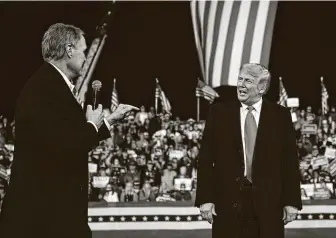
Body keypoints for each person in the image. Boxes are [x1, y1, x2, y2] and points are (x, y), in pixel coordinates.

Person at [0, 23, 137, 238]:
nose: (85, 57)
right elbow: (66, 145)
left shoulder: (50, 85)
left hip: (53, 216)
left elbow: (65, 135)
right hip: (45, 220)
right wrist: (92, 125)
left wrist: (109, 121)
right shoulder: (45, 89)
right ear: (69, 50)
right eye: (83, 50)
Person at [195, 63, 302, 238]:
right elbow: (206, 159)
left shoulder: (280, 116)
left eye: (248, 81)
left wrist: (291, 201)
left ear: (262, 88)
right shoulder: (219, 113)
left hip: (269, 204)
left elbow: (290, 162)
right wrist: (205, 198)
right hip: (228, 202)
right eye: (240, 79)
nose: (241, 85)